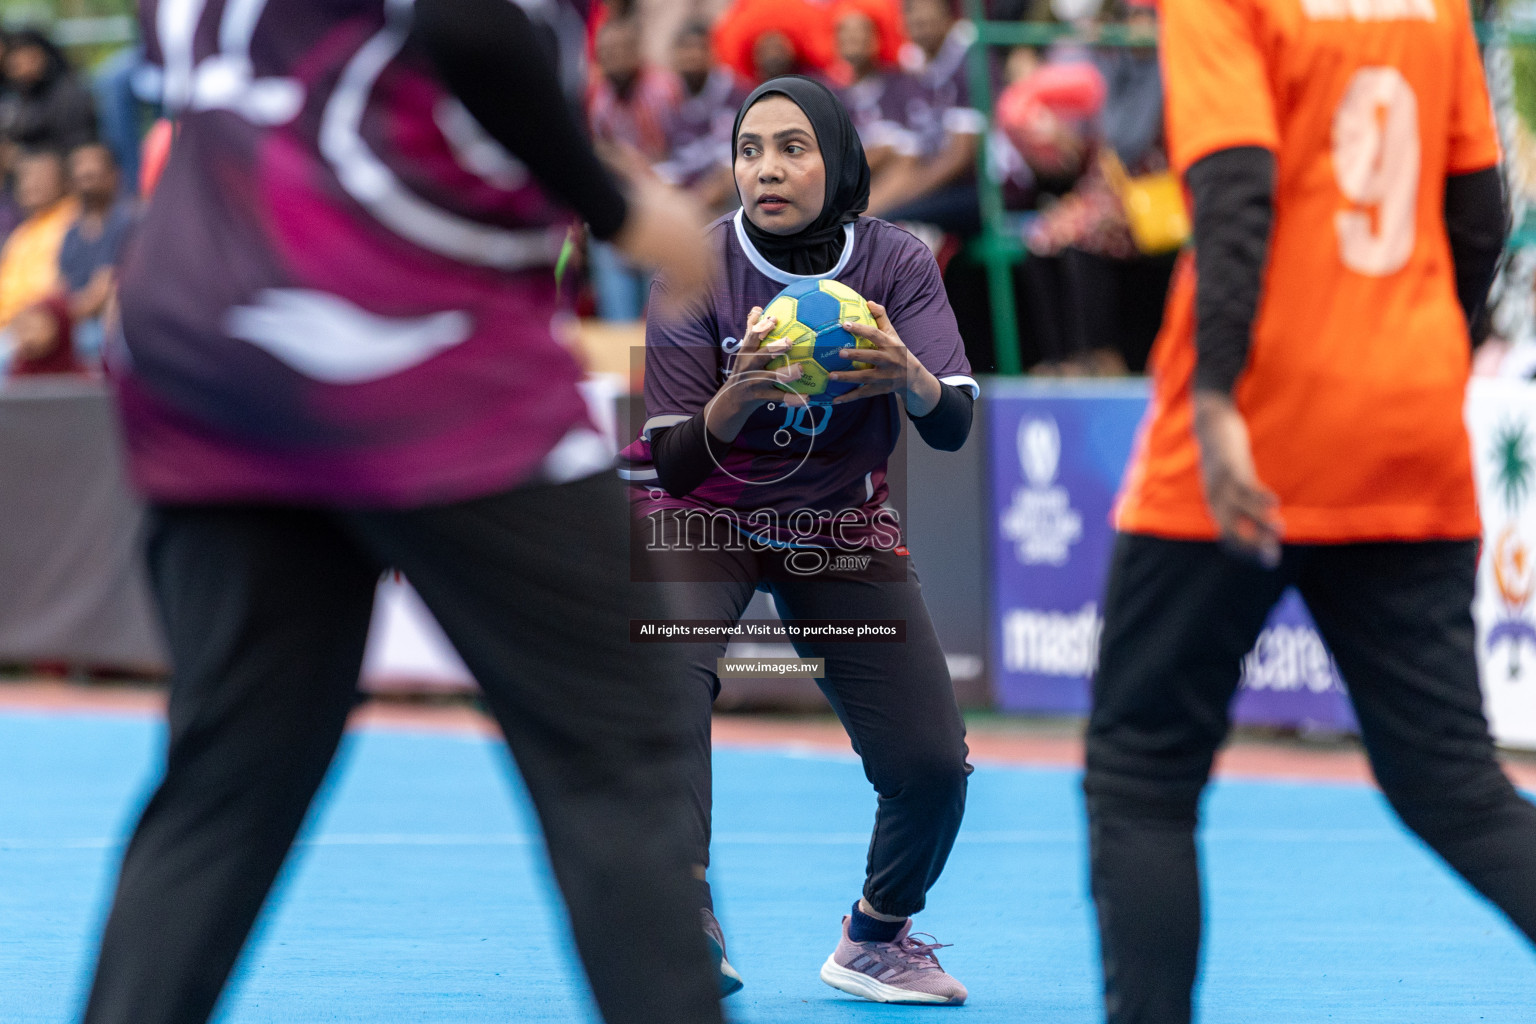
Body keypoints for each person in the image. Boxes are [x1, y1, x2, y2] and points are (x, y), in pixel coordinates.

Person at [79, 2, 725, 1024]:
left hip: (203, 345)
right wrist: (617, 207)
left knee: (229, 779)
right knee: (620, 752)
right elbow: (470, 24)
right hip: (396, 342)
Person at [1086, 0, 1536, 1019]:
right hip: (1406, 422)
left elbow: (1236, 189)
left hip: (1257, 417)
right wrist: (1421, 357)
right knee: (1455, 786)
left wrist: (1213, 399)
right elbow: (1480, 214)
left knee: (1143, 772)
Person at [618, 75, 977, 1006]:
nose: (766, 169)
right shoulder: (694, 266)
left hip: (837, 525)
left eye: (791, 147)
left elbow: (954, 422)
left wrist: (909, 376)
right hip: (705, 515)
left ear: (838, 158)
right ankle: (682, 915)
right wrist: (735, 398)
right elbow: (674, 461)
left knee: (934, 766)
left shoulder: (895, 263)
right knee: (666, 679)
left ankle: (876, 936)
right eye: (748, 150)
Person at [586, 15, 682, 321]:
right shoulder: (595, 97)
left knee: (659, 305)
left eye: (621, 49)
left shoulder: (664, 90)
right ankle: (620, 348)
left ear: (637, 50)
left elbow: (680, 151)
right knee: (618, 304)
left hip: (664, 199)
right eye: (606, 51)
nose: (614, 59)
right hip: (618, 202)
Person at [865, 0, 985, 236]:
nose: (922, 28)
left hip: (984, 188)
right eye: (916, 22)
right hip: (941, 184)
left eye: (928, 21)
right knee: (870, 221)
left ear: (948, 19)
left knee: (892, 225)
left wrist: (901, 198)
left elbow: (958, 159)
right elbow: (908, 156)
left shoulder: (969, 61)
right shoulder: (913, 72)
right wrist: (863, 209)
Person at [655, 21, 750, 216]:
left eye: (698, 48)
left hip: (731, 195)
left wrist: (713, 189)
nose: (692, 56)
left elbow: (746, 156)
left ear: (712, 53)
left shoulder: (736, 94)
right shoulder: (667, 101)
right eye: (685, 49)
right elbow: (666, 162)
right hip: (686, 200)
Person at [59, 143, 135, 364]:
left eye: (93, 173)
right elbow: (61, 286)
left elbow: (105, 288)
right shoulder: (71, 232)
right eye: (80, 172)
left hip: (109, 323)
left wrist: (60, 319)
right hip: (75, 320)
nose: (84, 174)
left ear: (114, 176)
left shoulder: (128, 221)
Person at [0, 149, 78, 331]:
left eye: (40, 177)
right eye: (25, 178)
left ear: (63, 181)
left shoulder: (72, 220)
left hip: (42, 325)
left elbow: (53, 287)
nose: (30, 184)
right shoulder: (21, 234)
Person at [0, 30, 96, 171]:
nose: (22, 69)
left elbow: (76, 148)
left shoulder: (69, 95)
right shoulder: (17, 97)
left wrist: (23, 156)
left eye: (30, 59)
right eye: (15, 65)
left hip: (58, 170)